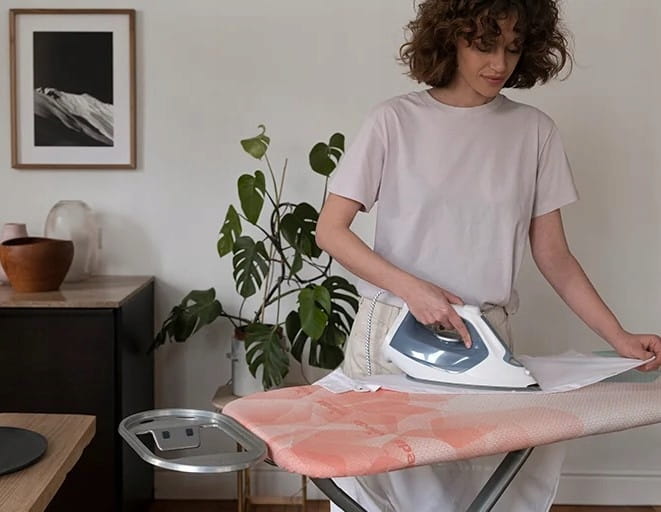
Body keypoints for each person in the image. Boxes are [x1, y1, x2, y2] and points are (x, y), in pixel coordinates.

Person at [315, 0, 661, 510]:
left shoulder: (534, 132)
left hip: (486, 337)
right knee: (383, 488)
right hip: (394, 331)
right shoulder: (394, 121)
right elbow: (330, 231)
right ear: (450, 38)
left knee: (479, 487)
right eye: (484, 45)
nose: (500, 63)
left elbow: (555, 257)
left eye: (513, 48)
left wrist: (619, 337)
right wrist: (414, 290)